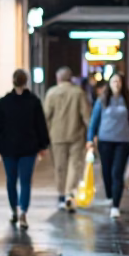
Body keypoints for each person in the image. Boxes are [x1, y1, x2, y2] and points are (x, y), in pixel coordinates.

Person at [0, 68, 49, 228]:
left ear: (13, 81)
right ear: (26, 82)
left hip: (8, 148)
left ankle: (14, 210)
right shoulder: (34, 101)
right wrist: (43, 145)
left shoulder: (4, 102)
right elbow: (40, 125)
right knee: (25, 181)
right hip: (29, 148)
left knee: (11, 181)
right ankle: (23, 213)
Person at [87, 72, 129, 218]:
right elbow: (94, 121)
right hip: (105, 140)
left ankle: (115, 205)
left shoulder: (128, 101)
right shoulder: (102, 100)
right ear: (109, 84)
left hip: (123, 141)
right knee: (106, 171)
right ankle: (110, 196)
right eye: (113, 81)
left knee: (117, 172)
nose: (116, 84)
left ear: (122, 84)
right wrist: (90, 138)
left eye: (118, 82)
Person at [43, 66, 90, 211]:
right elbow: (86, 116)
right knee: (74, 165)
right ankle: (70, 193)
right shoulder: (79, 93)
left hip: (56, 136)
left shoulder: (51, 93)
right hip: (76, 135)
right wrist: (92, 135)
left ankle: (61, 195)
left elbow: (45, 116)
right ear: (71, 78)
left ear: (58, 78)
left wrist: (42, 137)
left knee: (60, 167)